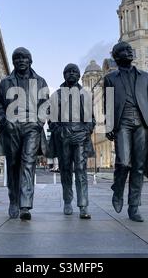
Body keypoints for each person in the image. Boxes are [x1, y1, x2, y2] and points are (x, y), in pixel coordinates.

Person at [104, 41, 148, 222]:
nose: (129, 51)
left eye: (130, 50)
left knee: (138, 167)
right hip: (122, 123)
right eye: (124, 50)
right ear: (116, 56)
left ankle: (134, 207)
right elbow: (109, 104)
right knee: (123, 162)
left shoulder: (145, 77)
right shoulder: (110, 78)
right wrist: (109, 126)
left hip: (143, 124)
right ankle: (118, 190)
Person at [0, 47, 48, 221]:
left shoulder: (40, 81)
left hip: (31, 127)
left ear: (30, 61)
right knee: (13, 165)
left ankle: (25, 205)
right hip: (11, 127)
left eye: (24, 58)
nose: (21, 61)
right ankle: (13, 201)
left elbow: (45, 105)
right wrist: (3, 122)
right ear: (13, 61)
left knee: (28, 163)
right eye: (17, 58)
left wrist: (39, 123)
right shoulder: (5, 82)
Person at [48, 64, 95, 219]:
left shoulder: (85, 95)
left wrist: (86, 130)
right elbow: (51, 119)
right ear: (64, 74)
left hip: (80, 136)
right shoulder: (56, 95)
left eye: (75, 71)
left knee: (81, 170)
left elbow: (91, 120)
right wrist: (59, 131)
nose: (72, 74)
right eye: (69, 72)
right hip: (63, 136)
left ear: (79, 75)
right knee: (66, 170)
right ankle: (67, 201)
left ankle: (83, 205)